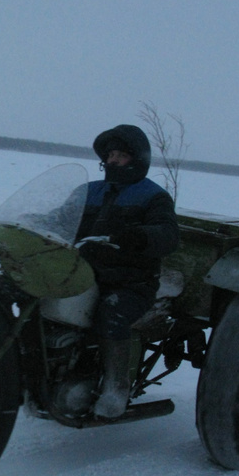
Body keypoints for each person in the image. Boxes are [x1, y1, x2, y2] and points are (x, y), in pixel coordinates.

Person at [75, 124, 180, 418]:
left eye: (120, 155)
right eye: (109, 155)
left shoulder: (152, 196)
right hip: (82, 274)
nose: (112, 161)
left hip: (131, 282)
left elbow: (168, 234)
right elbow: (59, 215)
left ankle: (115, 388)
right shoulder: (89, 191)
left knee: (111, 315)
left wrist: (139, 236)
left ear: (137, 159)